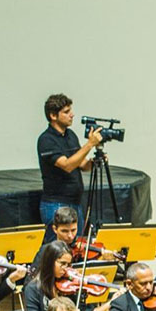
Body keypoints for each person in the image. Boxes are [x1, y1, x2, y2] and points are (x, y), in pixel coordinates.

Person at [36, 92, 102, 233]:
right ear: (53, 116)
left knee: (77, 247)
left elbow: (82, 164)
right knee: (59, 249)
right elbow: (67, 165)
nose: (72, 115)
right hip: (56, 204)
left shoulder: (70, 135)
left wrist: (96, 161)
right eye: (66, 112)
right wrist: (89, 144)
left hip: (75, 203)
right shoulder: (46, 140)